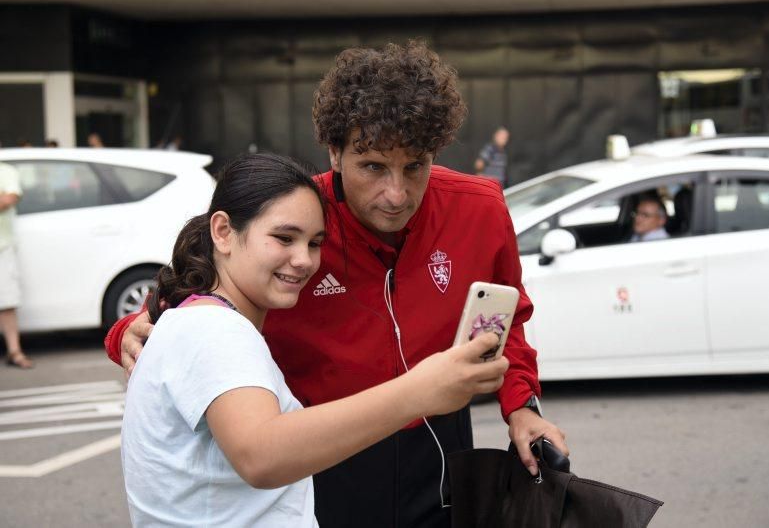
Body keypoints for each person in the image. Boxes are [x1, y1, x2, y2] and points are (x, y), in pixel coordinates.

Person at [106, 41, 567, 528]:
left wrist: (522, 405)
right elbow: (201, 287)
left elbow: (506, 315)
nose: (396, 193)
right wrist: (131, 331)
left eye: (415, 166)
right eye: (372, 166)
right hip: (323, 443)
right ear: (334, 152)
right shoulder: (299, 215)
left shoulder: (480, 208)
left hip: (439, 442)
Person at [121, 152, 508, 527]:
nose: (304, 259)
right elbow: (261, 455)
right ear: (223, 231)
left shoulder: (201, 320)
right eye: (284, 238)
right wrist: (418, 391)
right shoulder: (212, 328)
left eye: (314, 242)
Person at [0, 161, 32, 369]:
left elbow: (9, 199)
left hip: (2, 246)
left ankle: (14, 351)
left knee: (7, 301)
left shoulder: (6, 171)